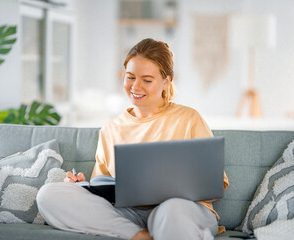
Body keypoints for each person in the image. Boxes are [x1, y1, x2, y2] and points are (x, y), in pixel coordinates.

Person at [36, 38, 229, 240]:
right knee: (49, 194)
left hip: (181, 210)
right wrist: (83, 186)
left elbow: (215, 186)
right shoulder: (110, 129)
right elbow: (104, 187)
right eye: (130, 77)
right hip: (129, 215)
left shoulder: (189, 119)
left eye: (147, 80)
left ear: (166, 81)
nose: (136, 87)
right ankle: (138, 235)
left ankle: (174, 230)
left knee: (171, 210)